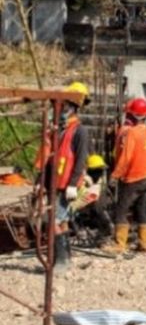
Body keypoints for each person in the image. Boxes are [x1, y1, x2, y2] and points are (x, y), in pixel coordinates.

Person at [36, 81, 91, 271]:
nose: (60, 109)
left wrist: (73, 184)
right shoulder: (59, 130)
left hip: (66, 183)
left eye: (64, 105)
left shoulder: (80, 131)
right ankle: (65, 258)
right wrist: (39, 181)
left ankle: (59, 260)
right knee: (63, 220)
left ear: (73, 106)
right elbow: (49, 158)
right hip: (55, 182)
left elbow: (81, 159)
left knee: (53, 221)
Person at [107, 97, 146, 254]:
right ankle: (144, 243)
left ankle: (119, 244)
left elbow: (126, 157)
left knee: (122, 210)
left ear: (132, 116)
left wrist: (115, 175)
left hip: (133, 177)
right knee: (141, 210)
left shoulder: (132, 133)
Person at [71, 154, 113, 239]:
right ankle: (104, 228)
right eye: (98, 170)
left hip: (89, 204)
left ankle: (105, 228)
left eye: (100, 170)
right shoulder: (84, 180)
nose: (100, 173)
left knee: (98, 204)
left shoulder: (98, 182)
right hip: (81, 204)